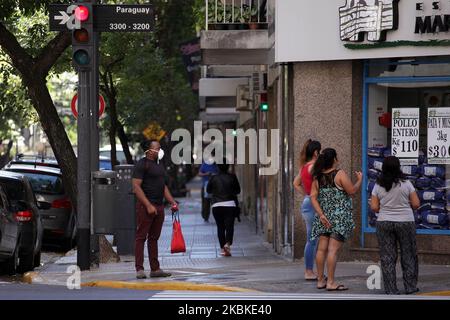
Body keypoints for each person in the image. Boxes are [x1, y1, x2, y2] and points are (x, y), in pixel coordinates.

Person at [310, 148, 362, 291]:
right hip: (339, 218)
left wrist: (321, 214)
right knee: (332, 250)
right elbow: (351, 191)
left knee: (321, 249)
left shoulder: (317, 177)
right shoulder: (339, 174)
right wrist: (360, 181)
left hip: (323, 218)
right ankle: (331, 282)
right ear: (334, 159)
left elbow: (312, 197)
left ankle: (320, 280)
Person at [370, 156, 420, 295]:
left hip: (384, 222)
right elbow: (416, 204)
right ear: (399, 167)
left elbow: (374, 207)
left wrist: (386, 209)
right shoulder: (406, 183)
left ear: (383, 168)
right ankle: (410, 287)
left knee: (387, 257)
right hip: (405, 222)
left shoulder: (378, 184)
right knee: (408, 254)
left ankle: (391, 289)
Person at [132, 139, 178, 279]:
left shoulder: (159, 165)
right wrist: (148, 205)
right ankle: (139, 269)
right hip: (146, 206)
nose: (159, 150)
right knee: (141, 237)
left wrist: (172, 202)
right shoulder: (142, 164)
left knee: (154, 238)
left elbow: (163, 186)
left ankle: (155, 269)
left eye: (160, 148)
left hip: (159, 206)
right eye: (157, 148)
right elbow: (136, 187)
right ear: (149, 150)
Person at [293, 139, 321, 280]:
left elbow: (295, 183)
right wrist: (311, 194)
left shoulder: (303, 167)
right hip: (314, 204)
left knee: (312, 239)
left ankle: (310, 270)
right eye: (319, 151)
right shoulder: (315, 166)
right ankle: (309, 271)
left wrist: (306, 194)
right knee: (312, 240)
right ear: (316, 152)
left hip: (307, 202)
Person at [207, 159, 241, 257]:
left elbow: (208, 190)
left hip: (216, 205)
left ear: (217, 167)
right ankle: (228, 244)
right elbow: (238, 190)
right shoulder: (232, 177)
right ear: (228, 166)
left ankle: (223, 249)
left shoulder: (213, 178)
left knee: (220, 227)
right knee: (229, 226)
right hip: (230, 205)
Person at [198, 153, 219, 222]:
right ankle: (205, 216)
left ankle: (217, 216)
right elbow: (199, 173)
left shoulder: (216, 165)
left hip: (215, 186)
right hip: (205, 186)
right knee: (206, 202)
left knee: (215, 202)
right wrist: (206, 174)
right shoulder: (205, 164)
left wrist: (214, 174)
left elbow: (219, 173)